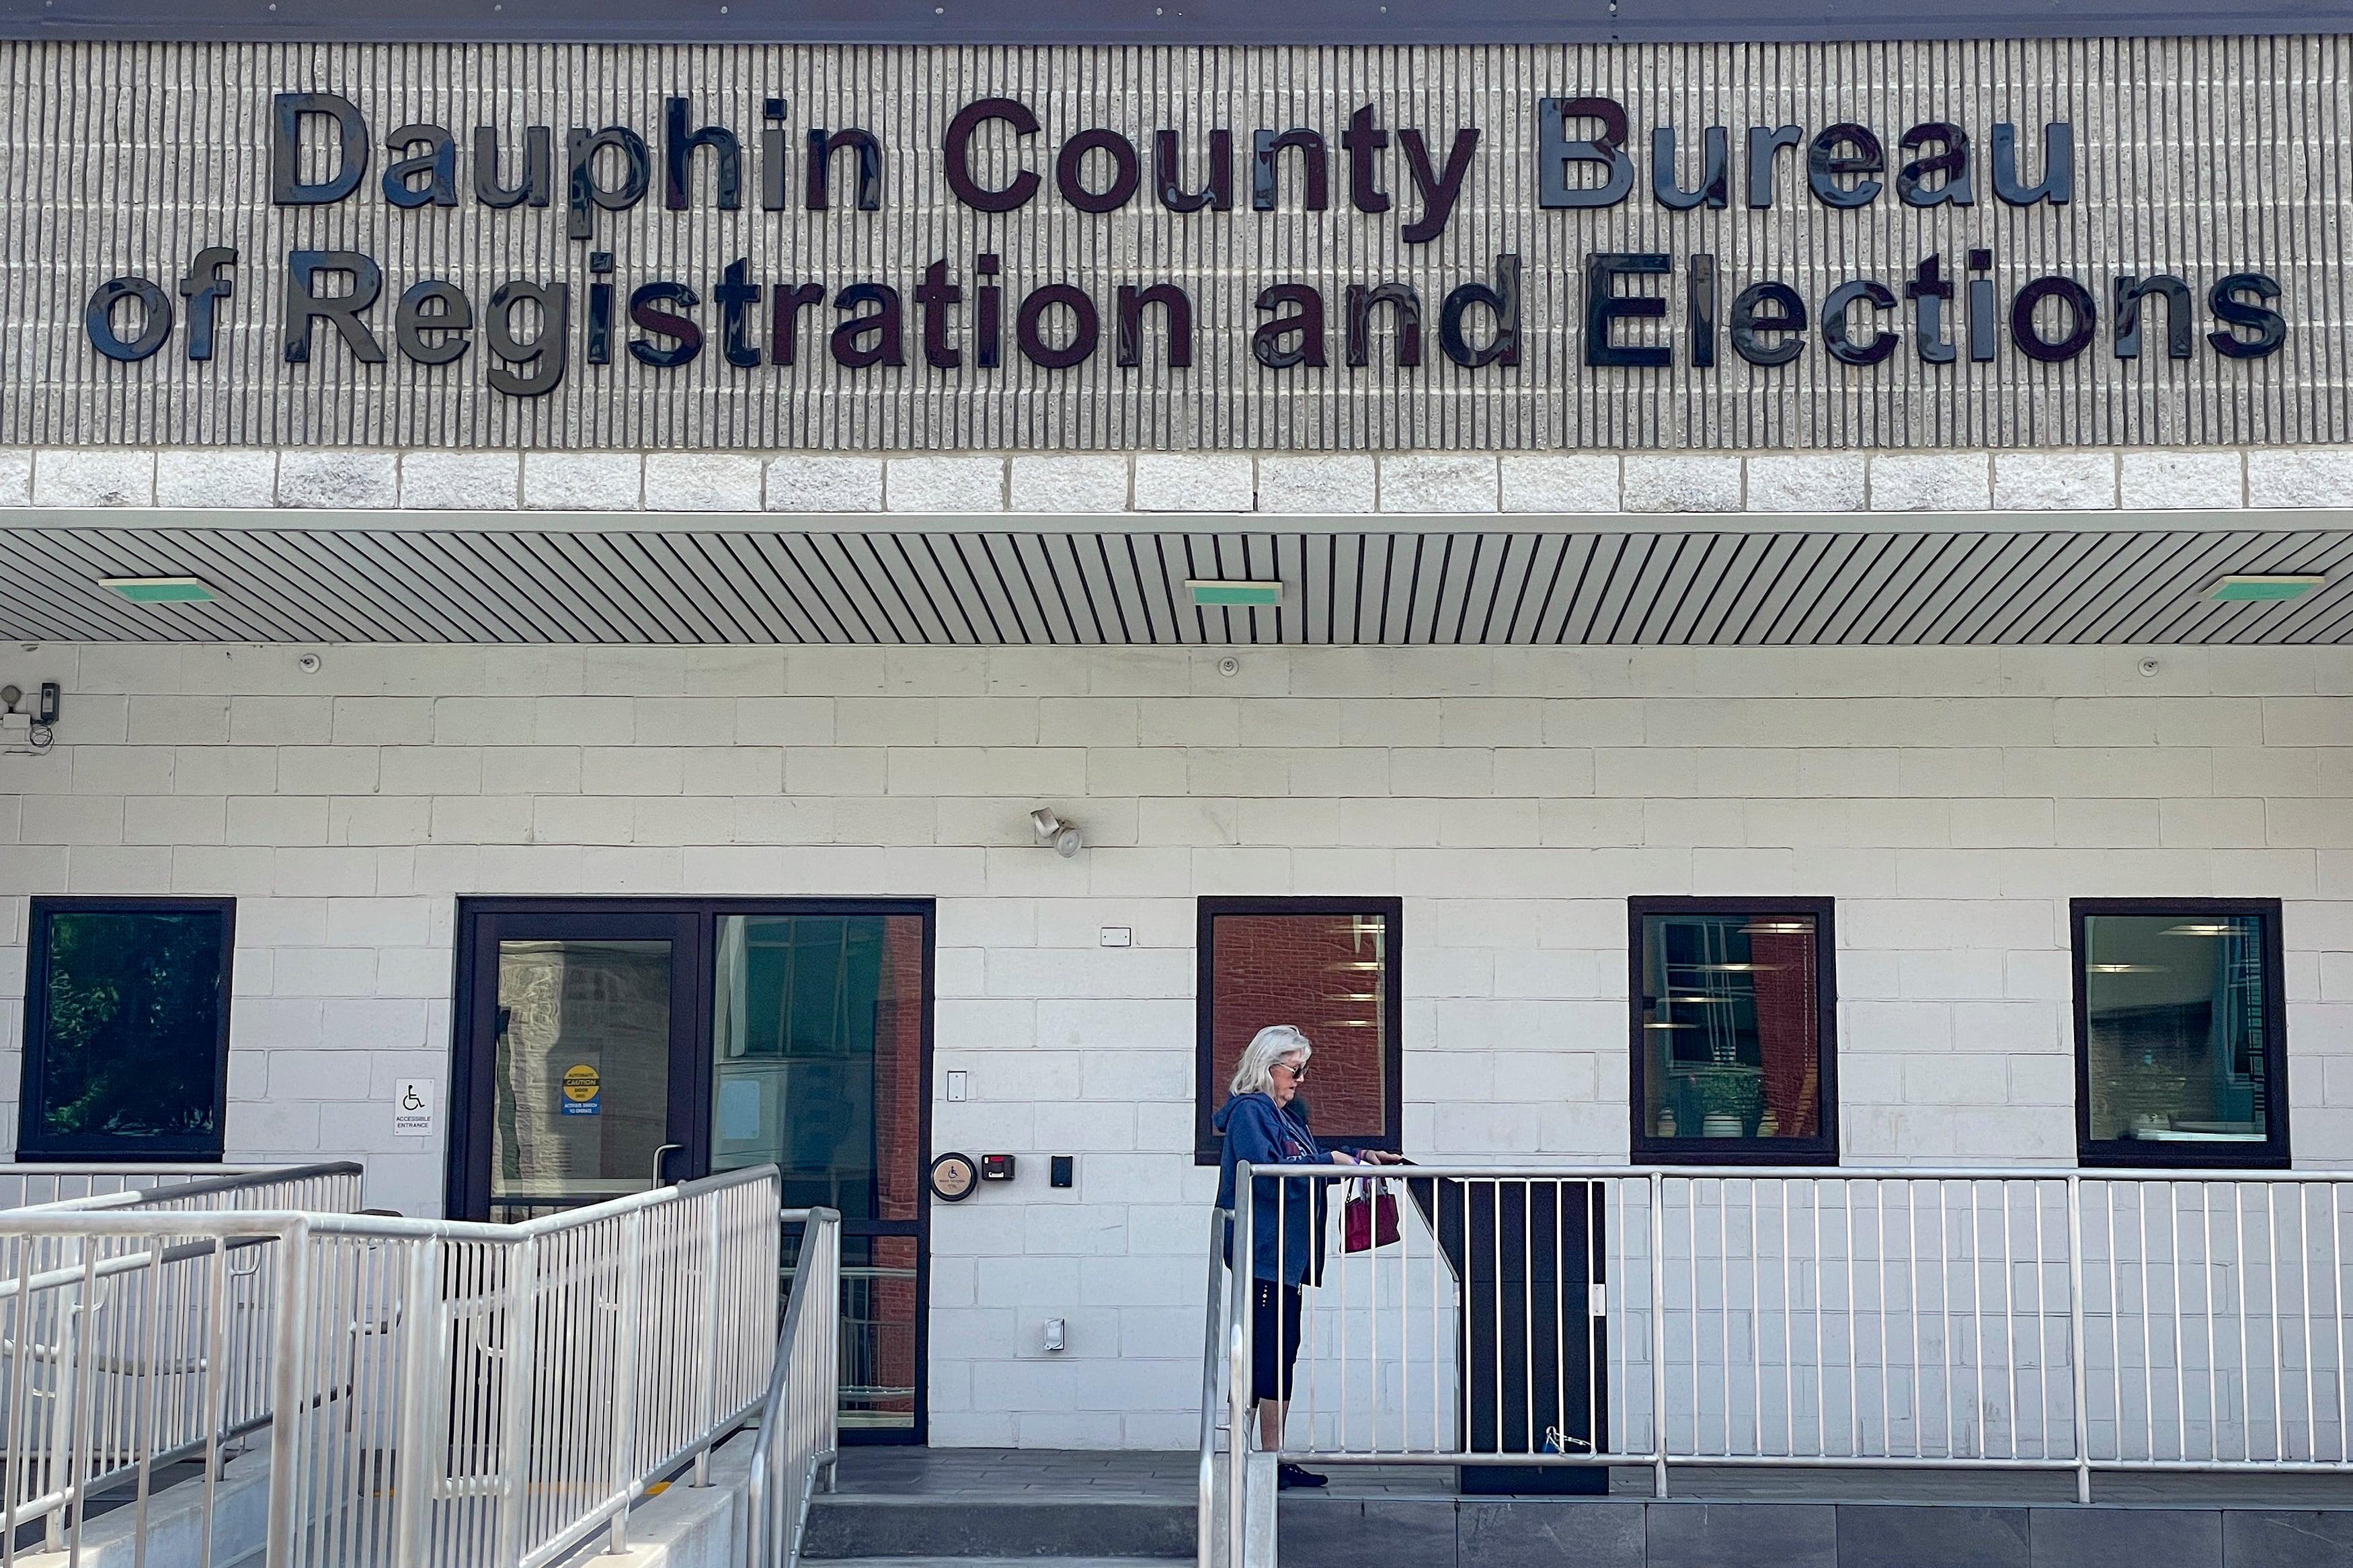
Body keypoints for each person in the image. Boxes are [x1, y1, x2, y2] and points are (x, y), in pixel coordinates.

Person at [1212, 1024, 1402, 1490]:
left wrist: (1359, 1155)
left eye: (1304, 1070)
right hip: (1263, 1251)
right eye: (1295, 1070)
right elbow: (1267, 1171)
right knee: (1266, 1355)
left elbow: (1307, 1157)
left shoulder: (1286, 1116)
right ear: (1267, 1066)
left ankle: (1270, 1457)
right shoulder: (1252, 1111)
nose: (1300, 1079)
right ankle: (1252, 1457)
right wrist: (1333, 1161)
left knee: (1280, 1353)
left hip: (1286, 1256)